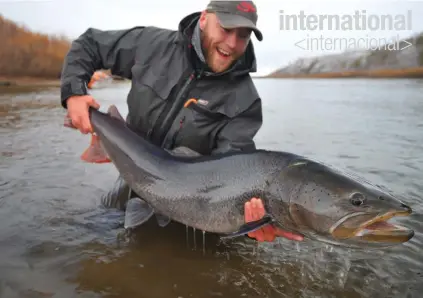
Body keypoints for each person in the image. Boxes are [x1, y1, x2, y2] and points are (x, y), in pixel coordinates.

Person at [60, 0, 304, 243]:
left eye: (243, 35)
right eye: (226, 29)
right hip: (131, 178)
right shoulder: (152, 45)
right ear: (204, 18)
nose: (232, 43)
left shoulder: (245, 101)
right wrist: (73, 93)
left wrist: (251, 223)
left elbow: (232, 178)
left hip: (187, 209)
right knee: (80, 238)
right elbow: (89, 44)